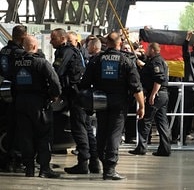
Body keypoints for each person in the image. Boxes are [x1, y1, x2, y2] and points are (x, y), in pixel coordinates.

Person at [80, 32, 145, 180]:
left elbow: (84, 84)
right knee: (115, 134)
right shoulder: (126, 60)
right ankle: (109, 170)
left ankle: (104, 162)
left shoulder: (96, 60)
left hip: (100, 101)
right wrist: (141, 106)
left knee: (102, 132)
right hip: (119, 102)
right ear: (120, 43)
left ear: (106, 43)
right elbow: (136, 86)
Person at [50, 28, 100, 175]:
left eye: (53, 38)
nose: (51, 41)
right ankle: (94, 163)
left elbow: (57, 72)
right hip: (81, 94)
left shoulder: (66, 52)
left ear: (62, 38)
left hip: (75, 95)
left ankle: (83, 163)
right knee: (87, 128)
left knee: (79, 129)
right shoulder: (71, 51)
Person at [12, 35, 62, 178]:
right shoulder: (41, 63)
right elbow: (55, 82)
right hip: (39, 104)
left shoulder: (16, 64)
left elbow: (13, 84)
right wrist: (55, 95)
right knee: (44, 135)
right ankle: (44, 169)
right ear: (35, 47)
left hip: (21, 103)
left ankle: (29, 168)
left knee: (25, 136)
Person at [129, 42, 171, 156]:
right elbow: (151, 72)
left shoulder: (156, 61)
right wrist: (143, 65)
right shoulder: (156, 61)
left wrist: (152, 94)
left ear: (152, 49)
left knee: (145, 120)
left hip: (157, 95)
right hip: (163, 95)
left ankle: (142, 147)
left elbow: (159, 78)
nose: (146, 51)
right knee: (162, 122)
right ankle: (165, 148)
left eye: (148, 49)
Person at [0, 24, 27, 172]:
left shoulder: (3, 51)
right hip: (17, 94)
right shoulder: (20, 53)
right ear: (23, 37)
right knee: (19, 129)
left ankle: (6, 161)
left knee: (9, 128)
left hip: (4, 94)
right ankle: (17, 160)